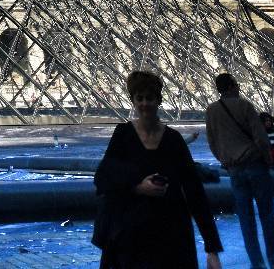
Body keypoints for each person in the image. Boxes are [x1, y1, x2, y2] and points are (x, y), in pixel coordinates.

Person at [93, 70, 222, 269]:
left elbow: (195, 192)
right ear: (133, 101)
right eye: (140, 98)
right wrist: (137, 187)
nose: (145, 104)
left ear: (158, 100)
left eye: (150, 98)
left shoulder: (173, 140)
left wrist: (211, 248)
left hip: (170, 235)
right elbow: (103, 179)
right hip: (131, 237)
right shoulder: (123, 135)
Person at [206, 72, 274, 269]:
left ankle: (257, 264)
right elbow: (261, 138)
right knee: (267, 217)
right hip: (255, 165)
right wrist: (267, 159)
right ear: (232, 86)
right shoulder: (244, 105)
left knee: (246, 221)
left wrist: (225, 161)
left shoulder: (211, 110)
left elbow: (212, 142)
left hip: (234, 170)